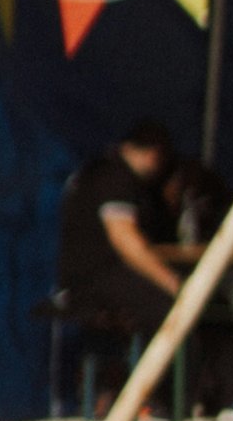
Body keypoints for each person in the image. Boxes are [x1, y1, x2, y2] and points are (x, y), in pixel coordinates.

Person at [55, 119, 183, 355]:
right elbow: (125, 241)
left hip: (87, 278)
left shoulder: (100, 172)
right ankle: (174, 388)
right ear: (155, 155)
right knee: (177, 312)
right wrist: (172, 283)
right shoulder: (115, 178)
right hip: (95, 279)